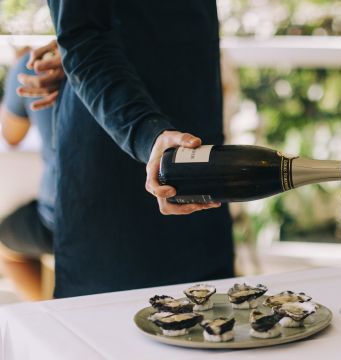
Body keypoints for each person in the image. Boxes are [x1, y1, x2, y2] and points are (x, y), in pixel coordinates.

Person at [44, 0, 233, 297]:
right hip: (117, 155)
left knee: (216, 317)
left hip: (198, 143)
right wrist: (148, 134)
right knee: (105, 329)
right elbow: (82, 35)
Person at [0, 45, 62, 300]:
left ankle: (46, 310)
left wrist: (19, 67)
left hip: (58, 222)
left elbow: (11, 135)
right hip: (147, 212)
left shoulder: (34, 64)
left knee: (5, 244)